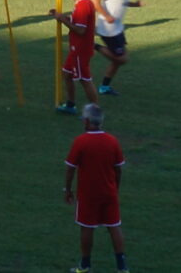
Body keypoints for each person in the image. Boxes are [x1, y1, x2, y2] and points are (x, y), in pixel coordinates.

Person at [62, 103, 128, 273]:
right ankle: (122, 267)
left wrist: (67, 190)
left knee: (87, 227)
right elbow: (118, 169)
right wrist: (115, 188)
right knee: (114, 226)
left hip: (88, 194)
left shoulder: (81, 141)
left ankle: (85, 266)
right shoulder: (112, 141)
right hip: (109, 192)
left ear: (86, 121)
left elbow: (70, 168)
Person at [97, 0, 141, 93]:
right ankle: (94, 46)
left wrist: (134, 4)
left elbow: (122, 1)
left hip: (117, 28)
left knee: (119, 59)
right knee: (122, 59)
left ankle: (104, 87)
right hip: (108, 29)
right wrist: (106, 16)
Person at [56, 0, 99, 113]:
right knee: (67, 73)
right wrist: (63, 17)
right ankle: (70, 105)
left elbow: (80, 30)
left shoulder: (82, 6)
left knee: (84, 79)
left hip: (81, 49)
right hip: (77, 49)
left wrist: (63, 20)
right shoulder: (83, 3)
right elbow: (78, 21)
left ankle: (95, 111)